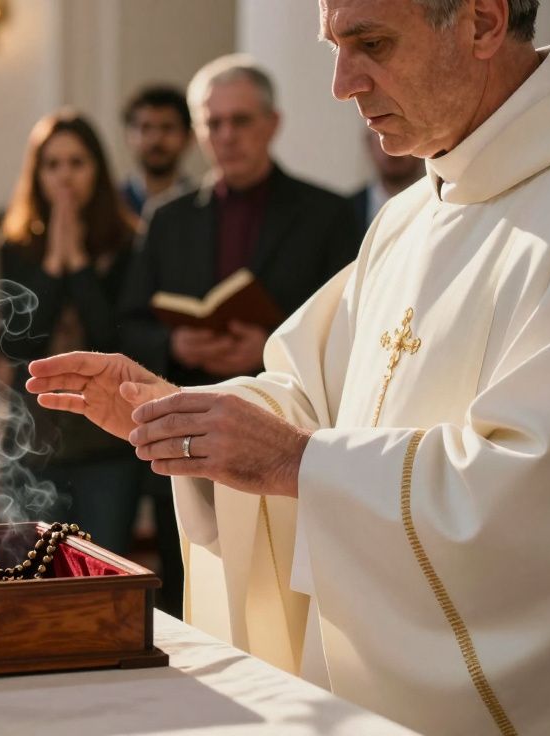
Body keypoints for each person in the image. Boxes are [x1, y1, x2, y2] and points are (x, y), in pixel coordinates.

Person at [28, 0, 550, 733]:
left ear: (482, 21)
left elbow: (544, 501)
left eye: (371, 42)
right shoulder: (409, 217)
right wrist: (182, 416)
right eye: (332, 46)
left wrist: (297, 464)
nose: (341, 84)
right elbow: (311, 399)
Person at [118, 55, 360, 619]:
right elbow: (128, 323)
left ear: (272, 123)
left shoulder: (327, 214)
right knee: (189, 591)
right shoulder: (168, 217)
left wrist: (267, 350)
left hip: (286, 432)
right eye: (214, 123)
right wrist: (175, 347)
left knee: (281, 601)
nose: (226, 136)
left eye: (241, 121)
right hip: (184, 428)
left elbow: (354, 325)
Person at [0, 110, 140, 553]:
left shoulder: (129, 244)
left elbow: (112, 340)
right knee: (34, 574)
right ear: (36, 173)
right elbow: (20, 344)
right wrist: (53, 267)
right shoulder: (15, 247)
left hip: (108, 448)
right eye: (52, 164)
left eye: (77, 163)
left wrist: (76, 261)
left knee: (106, 569)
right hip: (35, 445)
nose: (64, 177)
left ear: (97, 170)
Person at [119, 85, 195, 220]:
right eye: (145, 128)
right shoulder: (113, 205)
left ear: (188, 137)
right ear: (128, 136)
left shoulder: (201, 205)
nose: (156, 139)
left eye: (167, 128)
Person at [348, 128, 424, 234]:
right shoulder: (347, 211)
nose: (393, 147)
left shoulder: (442, 207)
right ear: (369, 144)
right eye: (381, 135)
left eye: (403, 136)